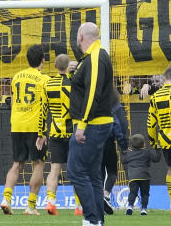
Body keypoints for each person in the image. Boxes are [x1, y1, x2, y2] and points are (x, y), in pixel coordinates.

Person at [67, 22, 118, 226]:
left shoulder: (96, 57)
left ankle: (91, 218)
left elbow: (92, 93)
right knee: (93, 174)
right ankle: (97, 220)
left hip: (92, 124)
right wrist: (75, 72)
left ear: (80, 37)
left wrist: (82, 124)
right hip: (98, 123)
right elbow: (85, 87)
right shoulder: (92, 57)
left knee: (75, 171)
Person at [2, 44, 49, 215]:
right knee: (38, 163)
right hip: (34, 126)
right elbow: (45, 106)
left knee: (17, 164)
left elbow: (14, 102)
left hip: (17, 124)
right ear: (43, 60)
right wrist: (42, 133)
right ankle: (31, 206)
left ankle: (6, 199)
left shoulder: (16, 77)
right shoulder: (45, 80)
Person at [146, 65, 171, 216]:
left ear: (164, 78)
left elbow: (150, 123)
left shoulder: (155, 96)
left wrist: (153, 141)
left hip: (164, 139)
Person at [45, 54, 78, 216]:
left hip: (55, 131)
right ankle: (79, 206)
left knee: (54, 169)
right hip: (73, 132)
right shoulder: (74, 83)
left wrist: (40, 133)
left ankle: (50, 202)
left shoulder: (48, 83)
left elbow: (43, 110)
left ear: (55, 67)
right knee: (77, 169)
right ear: (68, 66)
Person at [121, 134, 160, 215]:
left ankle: (130, 207)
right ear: (143, 144)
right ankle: (143, 209)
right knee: (145, 194)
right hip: (144, 177)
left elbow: (123, 161)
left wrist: (123, 152)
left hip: (133, 177)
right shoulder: (147, 152)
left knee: (132, 193)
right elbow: (156, 159)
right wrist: (158, 150)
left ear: (131, 145)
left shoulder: (129, 153)